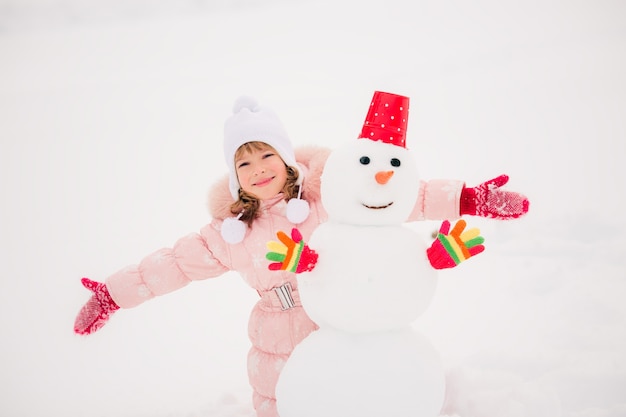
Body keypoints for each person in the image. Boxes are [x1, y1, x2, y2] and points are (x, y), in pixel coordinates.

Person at [74, 92, 530, 417]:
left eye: (266, 156)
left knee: (357, 394)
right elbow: (172, 265)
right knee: (283, 402)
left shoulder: (326, 195)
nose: (258, 171)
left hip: (343, 316)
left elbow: (402, 197)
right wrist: (113, 294)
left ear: (287, 157)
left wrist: (468, 199)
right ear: (234, 177)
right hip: (276, 335)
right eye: (244, 164)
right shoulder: (231, 234)